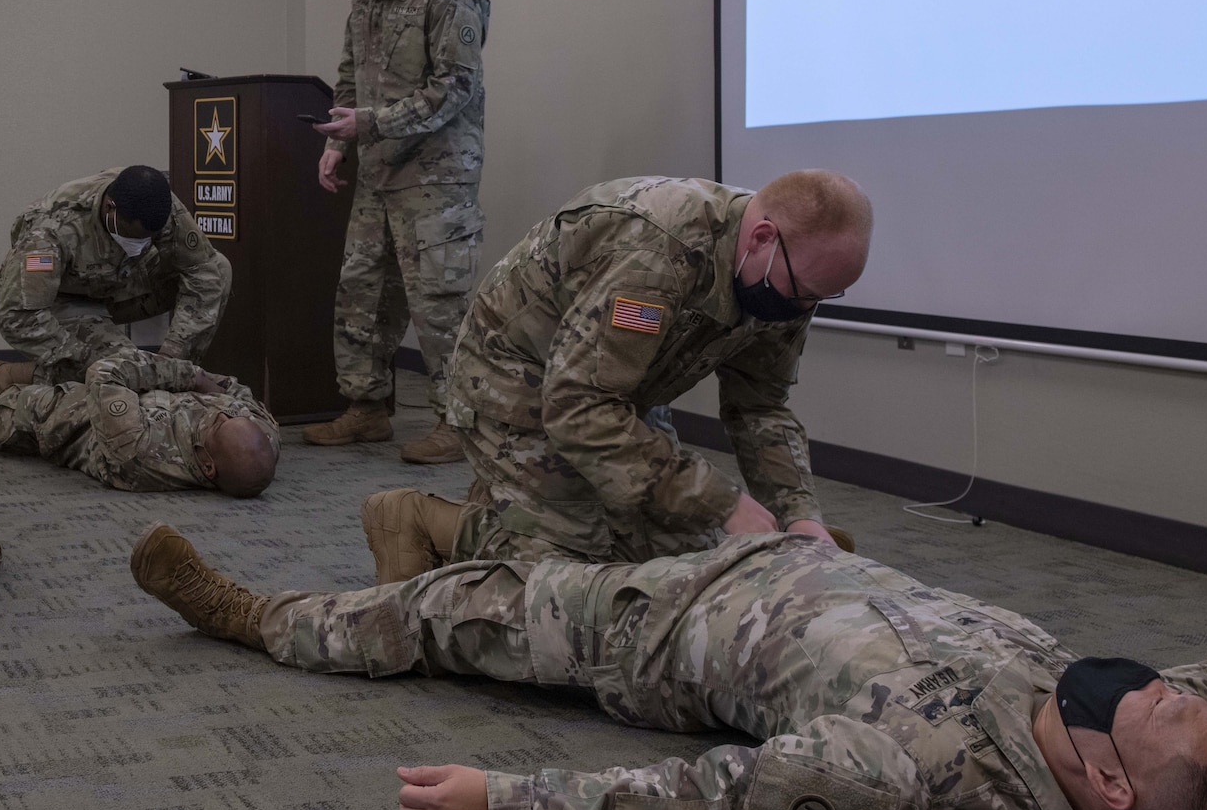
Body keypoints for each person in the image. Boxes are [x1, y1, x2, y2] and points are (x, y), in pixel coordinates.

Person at [129, 523, 1207, 810]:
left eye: (1167, 711)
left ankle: (257, 616)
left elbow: (706, 799)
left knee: (454, 612)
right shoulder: (1100, 715)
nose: (1155, 687)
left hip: (653, 628)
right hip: (772, 550)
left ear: (1112, 782)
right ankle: (446, 519)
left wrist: (510, 802)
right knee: (549, 502)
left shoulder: (904, 775)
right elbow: (1186, 684)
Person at [359, 172, 869, 582]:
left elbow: (760, 407)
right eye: (804, 291)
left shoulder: (790, 276)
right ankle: (434, 521)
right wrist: (722, 500)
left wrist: (799, 514)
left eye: (823, 297)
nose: (805, 308)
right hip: (514, 378)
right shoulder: (656, 250)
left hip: (618, 392)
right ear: (762, 237)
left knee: (675, 571)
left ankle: (521, 507)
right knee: (569, 594)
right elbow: (577, 406)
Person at [307, 0, 490, 466]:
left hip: (436, 176)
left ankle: (459, 424)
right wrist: (340, 139)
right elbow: (349, 69)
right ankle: (366, 410)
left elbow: (456, 87)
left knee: (440, 303)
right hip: (377, 170)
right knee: (362, 292)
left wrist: (369, 125)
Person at [0, 351, 279, 498]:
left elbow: (107, 372)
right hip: (134, 393)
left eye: (216, 426)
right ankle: (4, 374)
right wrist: (198, 383)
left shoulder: (140, 452)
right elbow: (233, 390)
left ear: (205, 464)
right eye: (228, 415)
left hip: (67, 420)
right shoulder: (260, 437)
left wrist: (190, 377)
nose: (221, 412)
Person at [0, 166, 230, 389]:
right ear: (110, 208)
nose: (140, 245)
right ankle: (15, 376)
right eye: (135, 236)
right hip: (68, 301)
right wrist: (83, 357)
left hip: (122, 284)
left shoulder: (159, 203)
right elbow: (17, 317)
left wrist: (171, 357)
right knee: (124, 370)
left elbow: (202, 269)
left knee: (219, 269)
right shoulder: (51, 229)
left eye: (149, 238)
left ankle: (179, 380)